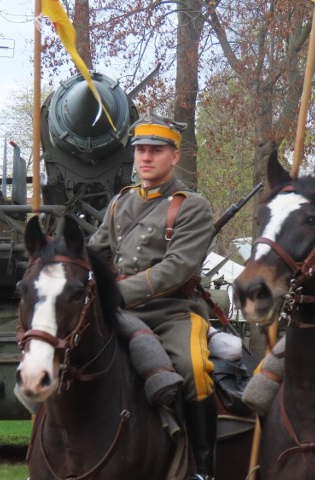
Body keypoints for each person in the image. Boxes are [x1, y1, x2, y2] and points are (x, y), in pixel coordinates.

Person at [89, 112, 216, 480]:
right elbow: (95, 252)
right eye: (141, 150)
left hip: (171, 312)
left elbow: (175, 269)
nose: (145, 157)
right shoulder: (120, 203)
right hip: (117, 311)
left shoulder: (192, 205)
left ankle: (203, 468)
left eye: (155, 151)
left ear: (174, 156)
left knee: (196, 371)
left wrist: (114, 293)